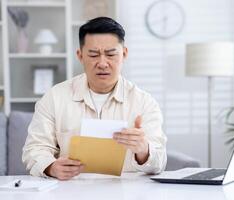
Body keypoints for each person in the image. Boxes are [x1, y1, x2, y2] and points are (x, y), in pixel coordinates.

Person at [22, 17, 167, 180]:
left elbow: (160, 162)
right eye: (93, 55)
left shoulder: (144, 103)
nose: (103, 63)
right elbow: (34, 149)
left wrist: (143, 150)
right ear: (80, 55)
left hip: (127, 192)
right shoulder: (54, 97)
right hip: (70, 191)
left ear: (124, 54)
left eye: (111, 54)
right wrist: (51, 167)